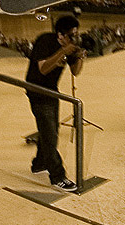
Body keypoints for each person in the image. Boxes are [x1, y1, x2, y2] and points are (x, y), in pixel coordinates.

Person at [25, 15, 86, 191]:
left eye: (76, 34)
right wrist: (62, 53)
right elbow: (43, 68)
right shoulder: (45, 41)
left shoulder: (71, 47)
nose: (74, 38)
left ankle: (39, 163)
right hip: (36, 90)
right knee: (50, 133)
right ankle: (57, 176)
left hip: (51, 91)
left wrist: (80, 56)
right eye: (71, 35)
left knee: (51, 130)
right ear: (60, 35)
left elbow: (75, 72)